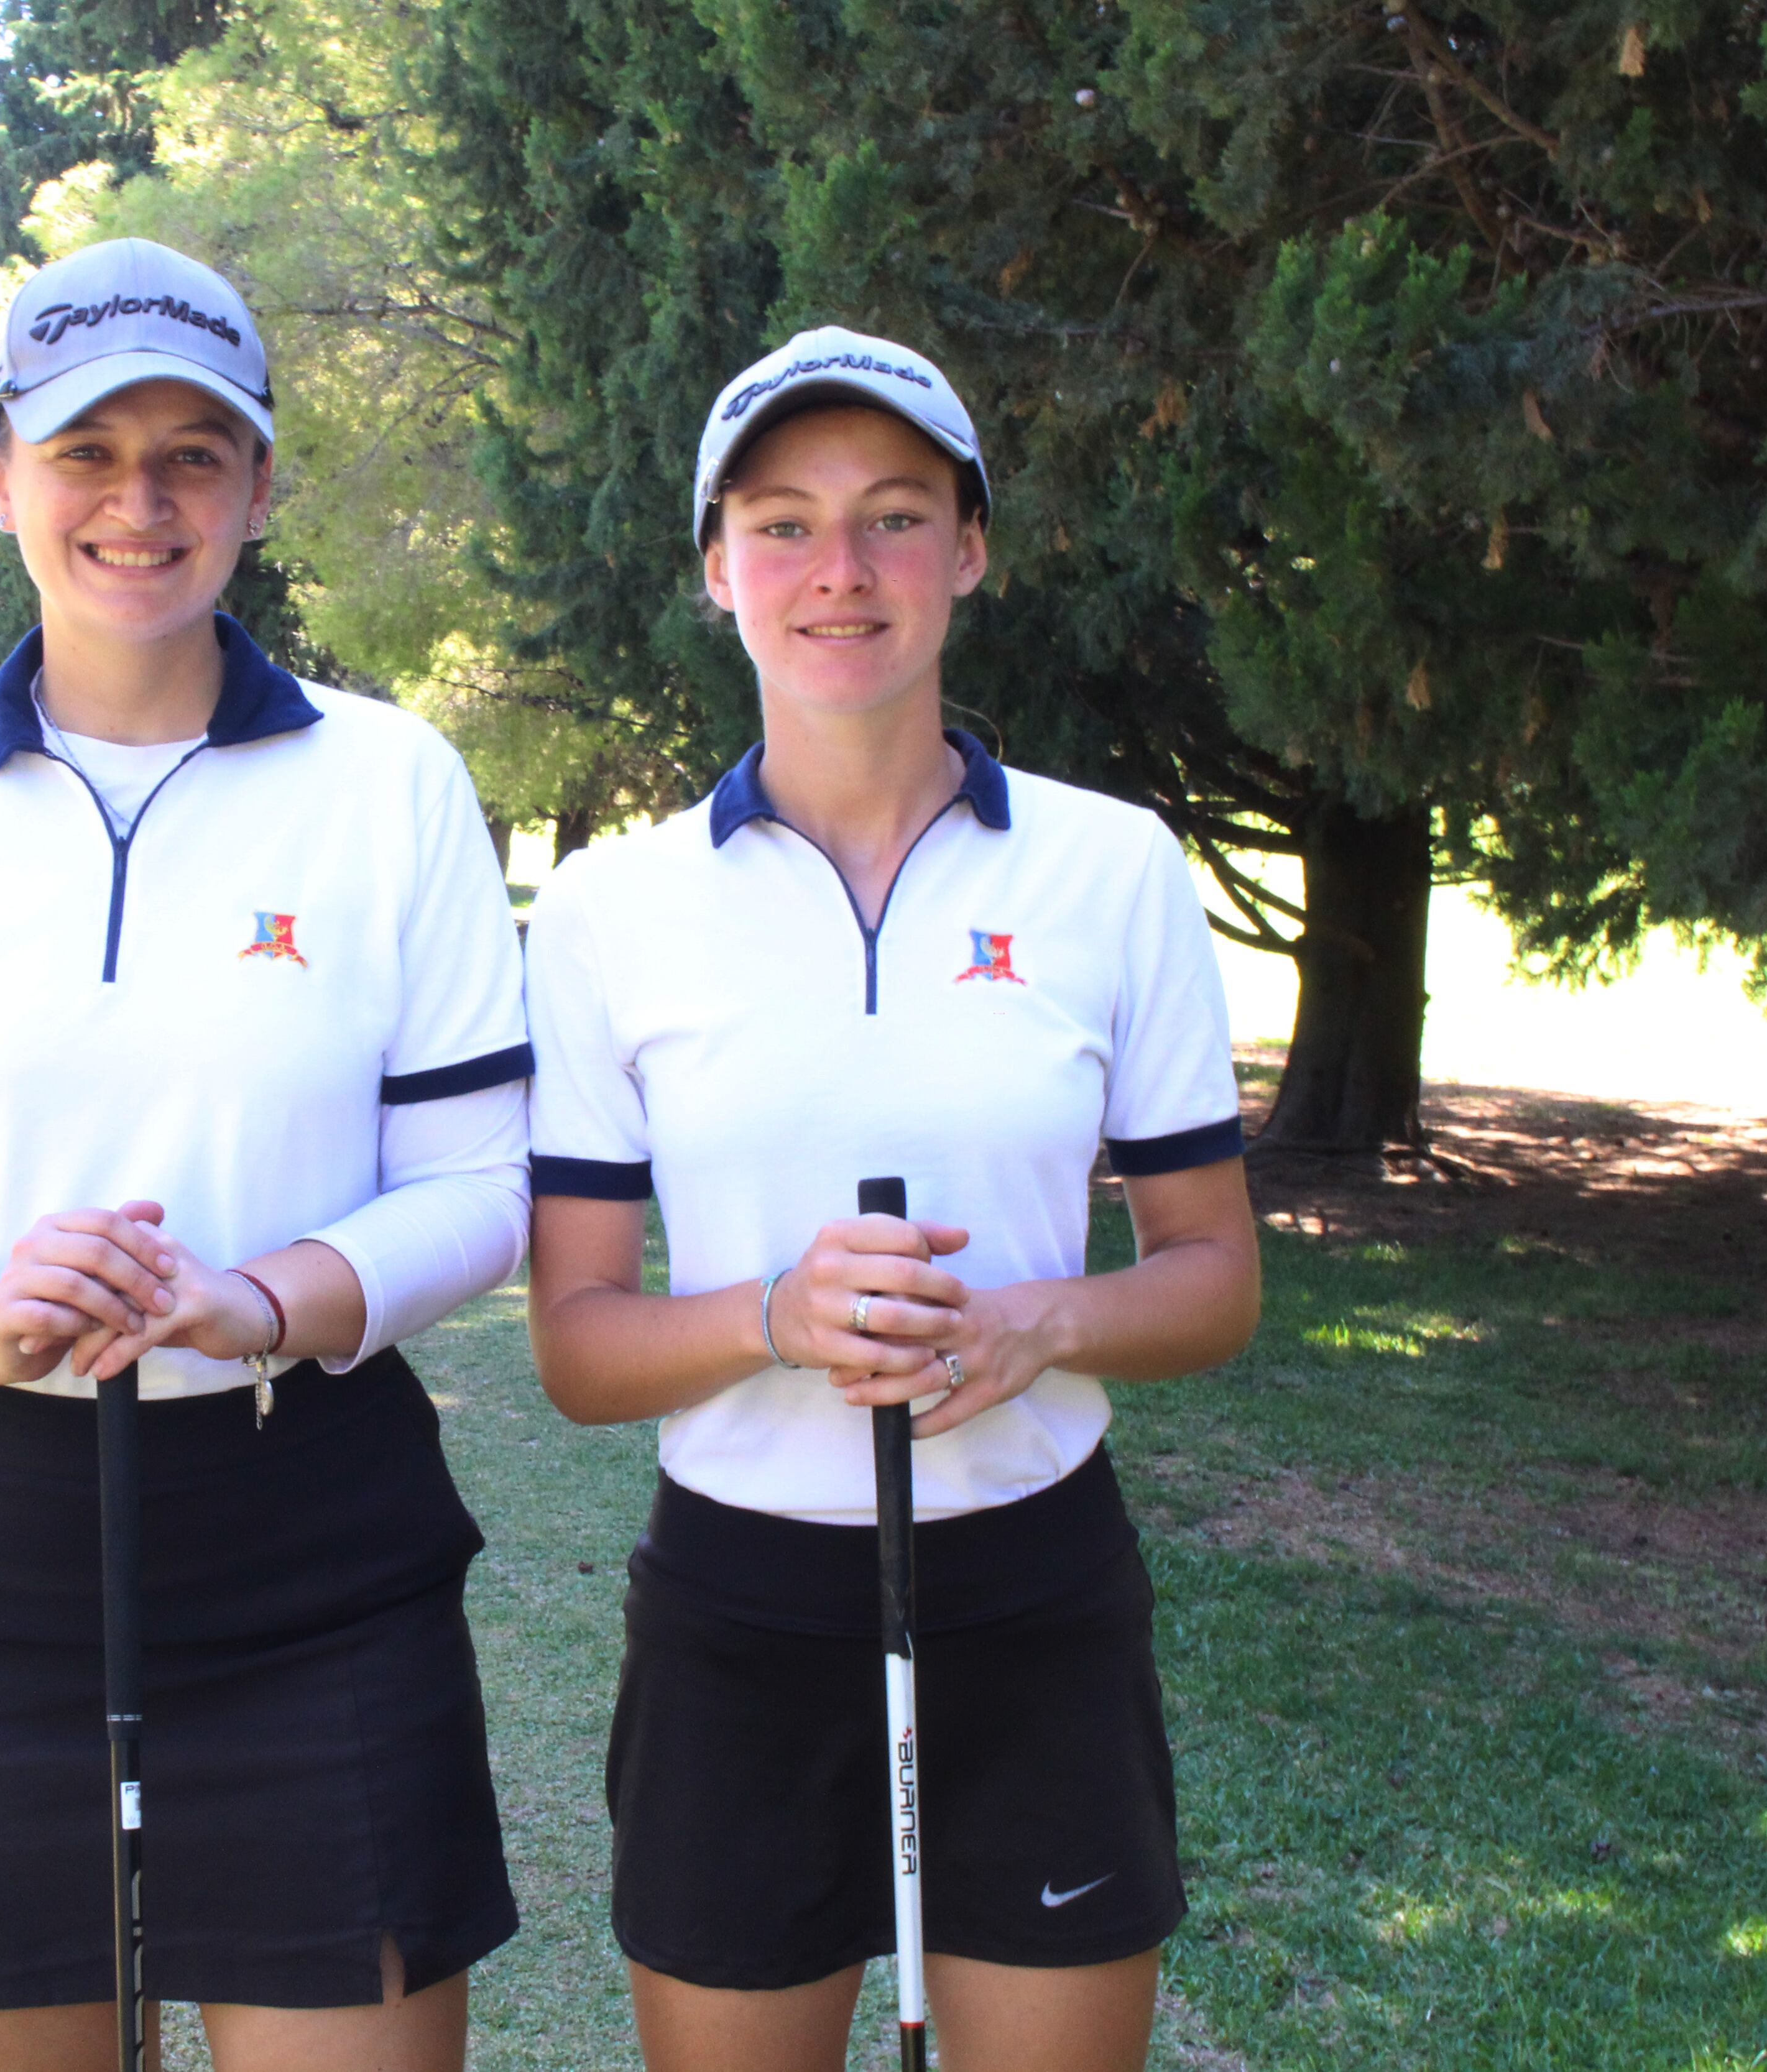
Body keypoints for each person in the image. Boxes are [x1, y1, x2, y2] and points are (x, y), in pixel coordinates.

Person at [0, 237, 531, 2072]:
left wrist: (258, 1299)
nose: (139, 500)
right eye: (90, 451)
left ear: (258, 489)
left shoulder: (390, 780)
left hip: (310, 1550)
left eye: (193, 452)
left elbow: (478, 1187)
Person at [520, 326, 1262, 2072]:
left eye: (896, 516)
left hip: (1035, 1602)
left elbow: (1215, 1277)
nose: (838, 571)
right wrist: (770, 1318)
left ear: (973, 549)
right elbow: (576, 1345)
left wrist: (1036, 1323)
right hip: (738, 1617)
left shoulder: (1111, 869)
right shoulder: (615, 908)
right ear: (717, 568)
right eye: (781, 523)